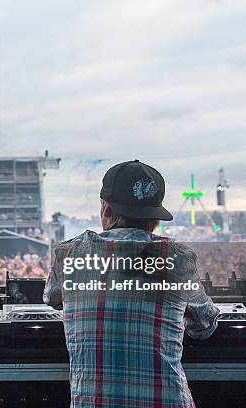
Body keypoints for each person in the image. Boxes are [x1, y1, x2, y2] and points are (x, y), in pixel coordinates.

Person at [44, 160, 219, 408]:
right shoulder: (178, 258)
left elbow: (51, 298)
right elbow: (204, 325)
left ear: (106, 210)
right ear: (155, 219)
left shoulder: (69, 254)